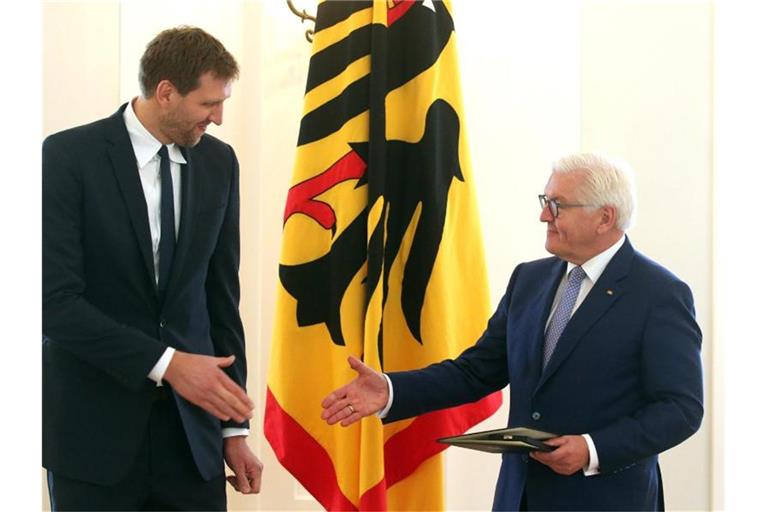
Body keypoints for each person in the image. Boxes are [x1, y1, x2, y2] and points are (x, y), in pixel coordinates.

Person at [321, 152, 703, 511]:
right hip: (519, 496)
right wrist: (391, 390)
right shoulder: (529, 279)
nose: (543, 216)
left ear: (605, 217)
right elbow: (476, 371)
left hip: (605, 498)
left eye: (557, 205)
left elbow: (681, 408)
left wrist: (592, 449)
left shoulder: (659, 294)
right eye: (544, 200)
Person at [43, 26, 262, 511]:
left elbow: (221, 299)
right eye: (209, 104)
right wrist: (168, 364)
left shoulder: (220, 163)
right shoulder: (65, 157)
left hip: (193, 445)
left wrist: (233, 428)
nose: (219, 118)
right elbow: (52, 304)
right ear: (165, 92)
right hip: (93, 443)